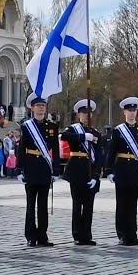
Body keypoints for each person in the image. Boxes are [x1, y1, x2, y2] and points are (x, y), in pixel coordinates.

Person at [104, 96, 138, 246]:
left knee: (132, 205)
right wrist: (109, 170)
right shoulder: (118, 131)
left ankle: (133, 234)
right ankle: (123, 234)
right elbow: (111, 151)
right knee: (122, 204)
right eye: (129, 110)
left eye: (134, 110)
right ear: (124, 112)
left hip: (135, 170)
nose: (132, 113)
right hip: (122, 169)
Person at [17, 94, 60, 247]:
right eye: (38, 106)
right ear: (32, 108)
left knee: (43, 205)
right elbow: (21, 148)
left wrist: (55, 170)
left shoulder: (52, 127)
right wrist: (20, 169)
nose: (41, 108)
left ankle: (42, 235)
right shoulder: (27, 126)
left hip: (44, 168)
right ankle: (30, 236)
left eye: (43, 105)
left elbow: (55, 149)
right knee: (30, 205)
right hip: (30, 166)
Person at [61, 99, 102, 246]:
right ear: (78, 115)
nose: (86, 116)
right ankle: (77, 234)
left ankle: (87, 235)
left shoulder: (96, 132)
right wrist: (83, 137)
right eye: (84, 113)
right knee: (77, 204)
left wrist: (97, 176)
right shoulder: (73, 129)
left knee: (89, 205)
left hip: (90, 171)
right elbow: (64, 137)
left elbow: (99, 156)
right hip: (76, 170)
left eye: (89, 113)